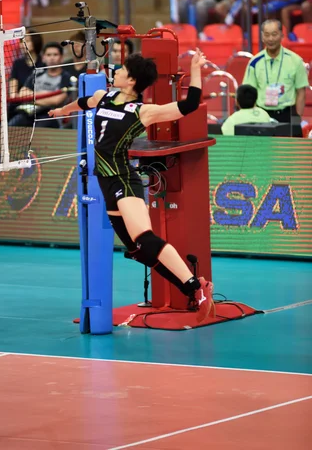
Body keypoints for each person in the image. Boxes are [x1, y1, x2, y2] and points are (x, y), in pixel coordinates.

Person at [49, 49, 215, 323]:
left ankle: (197, 287)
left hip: (124, 179)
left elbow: (190, 105)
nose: (116, 71)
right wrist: (61, 110)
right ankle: (192, 288)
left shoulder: (143, 112)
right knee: (138, 250)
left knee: (145, 238)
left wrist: (195, 67)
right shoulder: (105, 97)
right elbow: (83, 102)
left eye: (122, 70)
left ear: (132, 80)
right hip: (105, 181)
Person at [243, 19, 309, 132]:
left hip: (288, 114)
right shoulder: (254, 62)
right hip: (262, 114)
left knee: (289, 149)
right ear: (262, 37)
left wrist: (297, 118)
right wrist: (254, 116)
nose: (271, 39)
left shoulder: (296, 61)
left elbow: (301, 92)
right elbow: (249, 92)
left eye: (274, 34)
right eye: (267, 35)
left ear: (282, 36)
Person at [10, 42, 71, 128]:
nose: (52, 58)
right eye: (49, 55)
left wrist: (31, 96)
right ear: (43, 58)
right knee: (12, 125)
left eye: (55, 55)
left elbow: (57, 100)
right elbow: (22, 94)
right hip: (29, 113)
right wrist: (46, 95)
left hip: (51, 116)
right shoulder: (37, 73)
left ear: (61, 58)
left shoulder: (66, 77)